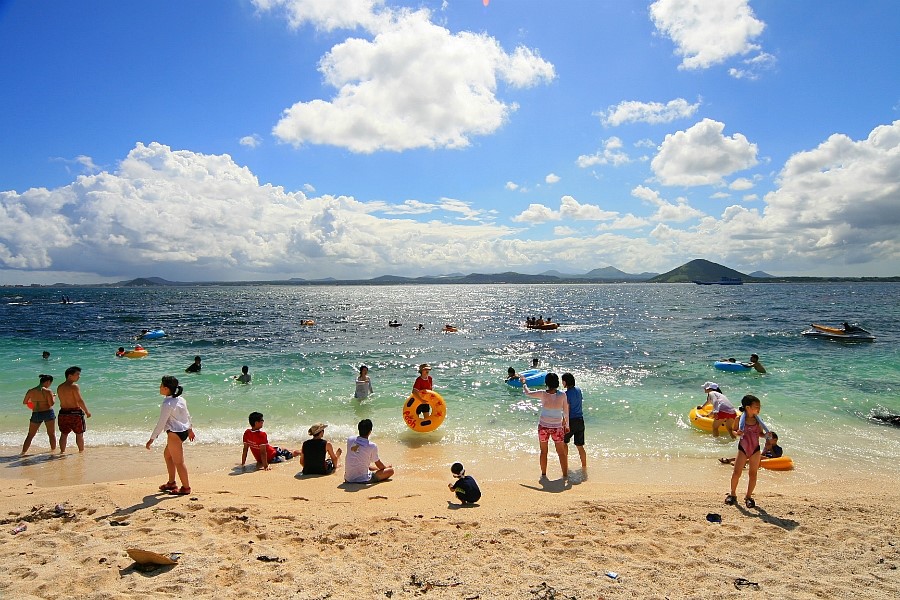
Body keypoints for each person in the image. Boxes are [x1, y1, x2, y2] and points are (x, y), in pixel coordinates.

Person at [146, 375, 194, 495]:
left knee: (179, 462)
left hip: (175, 434)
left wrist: (152, 439)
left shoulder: (167, 403)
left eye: (161, 385)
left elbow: (161, 423)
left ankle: (186, 488)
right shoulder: (181, 399)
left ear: (166, 389)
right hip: (182, 431)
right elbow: (187, 415)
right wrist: (190, 430)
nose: (160, 387)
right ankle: (171, 483)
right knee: (168, 455)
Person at [521, 372, 569, 480]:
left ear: (546, 383)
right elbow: (566, 411)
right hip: (557, 427)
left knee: (543, 451)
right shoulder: (562, 395)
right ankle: (565, 475)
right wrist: (567, 425)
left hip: (543, 426)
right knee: (561, 452)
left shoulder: (543, 393)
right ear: (557, 382)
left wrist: (524, 383)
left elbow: (528, 393)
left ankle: (543, 474)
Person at [725, 395, 770, 508]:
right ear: (748, 407)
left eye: (759, 407)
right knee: (736, 473)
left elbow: (759, 433)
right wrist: (737, 433)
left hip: (755, 449)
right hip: (743, 449)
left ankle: (748, 496)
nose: (759, 409)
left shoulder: (758, 421)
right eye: (756, 407)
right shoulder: (739, 419)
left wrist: (765, 435)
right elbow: (734, 431)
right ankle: (733, 494)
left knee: (753, 474)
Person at [344, 419, 394, 483]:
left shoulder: (350, 439)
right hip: (363, 480)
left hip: (348, 478)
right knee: (390, 471)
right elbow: (379, 464)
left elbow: (357, 450)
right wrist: (385, 468)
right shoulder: (372, 446)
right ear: (370, 432)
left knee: (364, 464)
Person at [57, 366, 91, 453]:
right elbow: (79, 400)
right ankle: (81, 452)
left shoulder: (60, 387)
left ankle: (62, 452)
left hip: (63, 412)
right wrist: (87, 411)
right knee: (79, 434)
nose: (79, 376)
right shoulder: (74, 386)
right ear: (70, 376)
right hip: (75, 413)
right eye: (77, 374)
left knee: (64, 434)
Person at [21, 374, 57, 455]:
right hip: (48, 412)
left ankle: (23, 453)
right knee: (51, 434)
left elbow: (25, 402)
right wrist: (54, 396)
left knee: (30, 435)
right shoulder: (48, 391)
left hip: (36, 413)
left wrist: (35, 401)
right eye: (50, 383)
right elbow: (51, 403)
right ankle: (53, 451)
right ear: (48, 382)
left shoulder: (31, 391)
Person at [561, 372, 587, 473]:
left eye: (563, 380)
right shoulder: (579, 390)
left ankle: (565, 465)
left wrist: (564, 422)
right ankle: (584, 467)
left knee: (564, 442)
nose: (562, 382)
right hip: (580, 420)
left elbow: (567, 410)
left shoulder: (566, 395)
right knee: (580, 446)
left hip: (571, 421)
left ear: (566, 382)